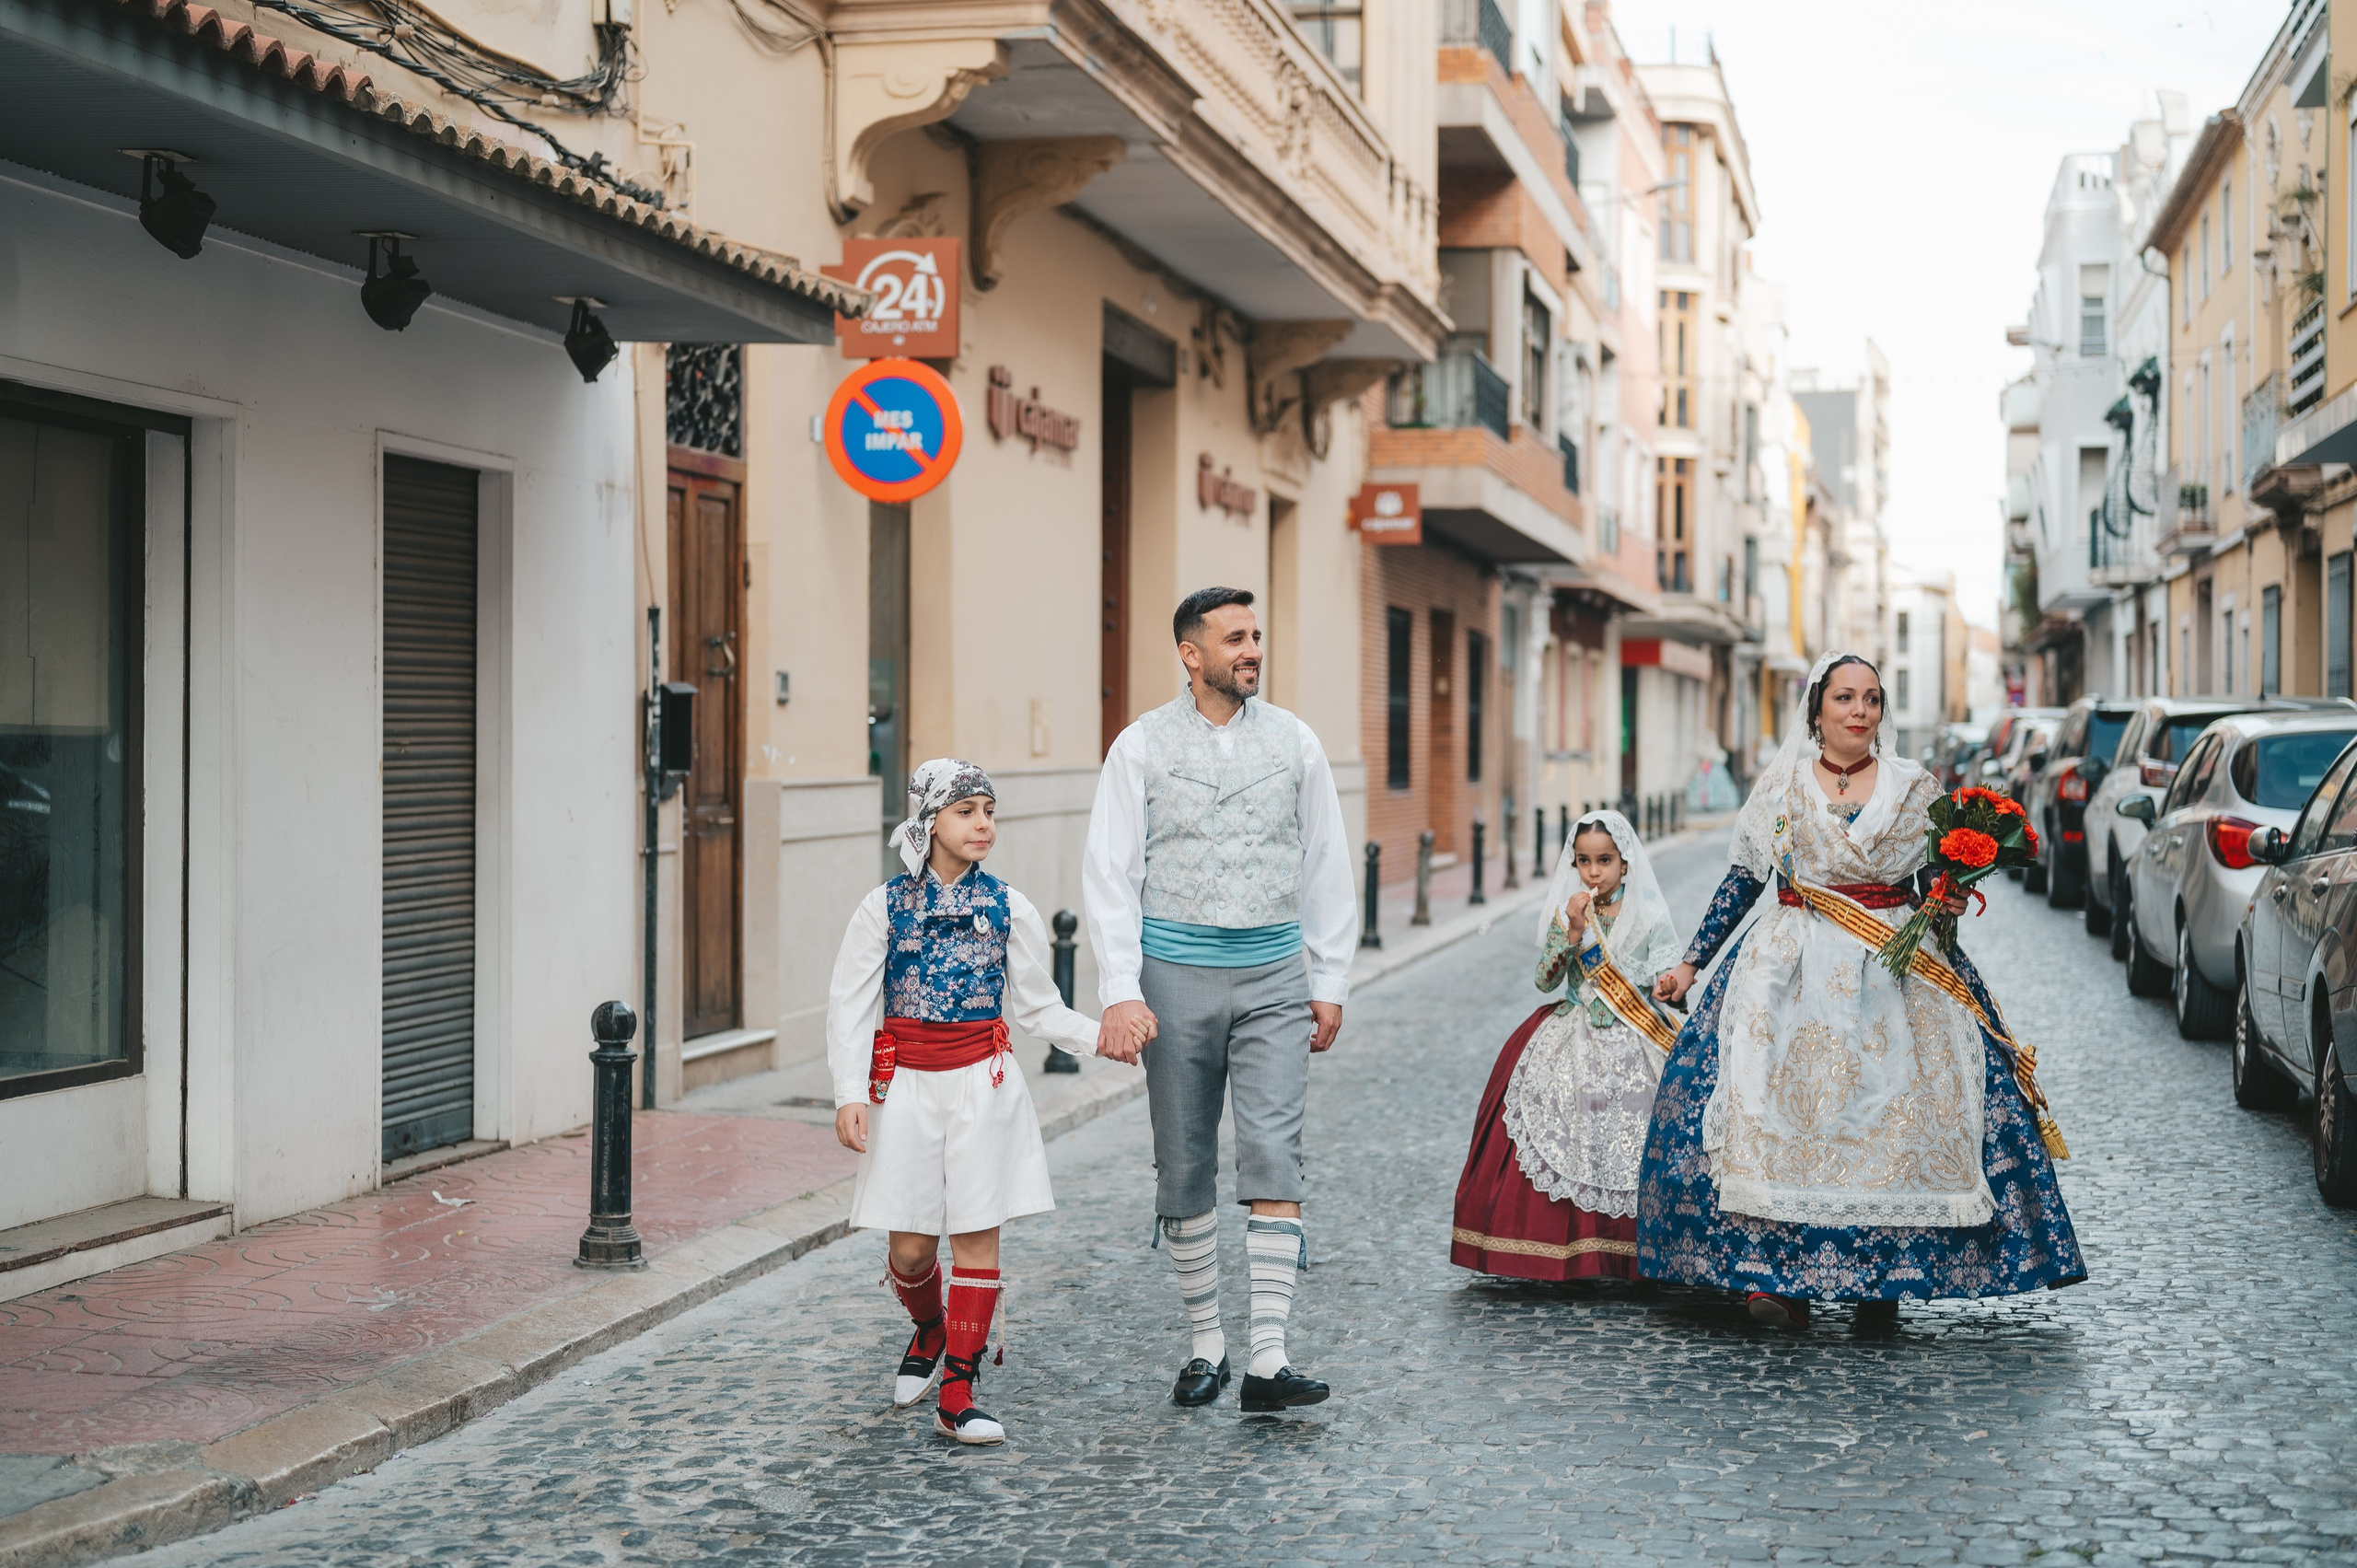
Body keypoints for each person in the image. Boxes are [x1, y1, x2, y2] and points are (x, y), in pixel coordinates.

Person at [1637, 653, 2085, 1330]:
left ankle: (1882, 1283)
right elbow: (1743, 880)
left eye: (1871, 699)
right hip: (1788, 968)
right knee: (1774, 1113)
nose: (1859, 710)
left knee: (1896, 1122)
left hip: (1893, 972)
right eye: (1844, 697)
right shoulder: (1782, 786)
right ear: (1816, 708)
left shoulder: (1914, 786)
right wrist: (1692, 964)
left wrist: (1950, 896)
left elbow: (1937, 877)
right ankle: (1777, 1278)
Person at [1083, 587, 1358, 1412]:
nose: (1251, 649)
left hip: (1275, 974)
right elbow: (1110, 874)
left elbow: (1326, 862)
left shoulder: (1297, 740)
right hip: (1173, 975)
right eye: (1233, 637)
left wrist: (1330, 976)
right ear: (1190, 653)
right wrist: (1120, 989)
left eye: (1256, 635)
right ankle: (1206, 1344)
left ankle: (1268, 1361)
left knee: (1275, 1150)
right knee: (1185, 1159)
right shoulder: (1139, 747)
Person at [827, 759, 1138, 1444]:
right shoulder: (882, 906)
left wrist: (1103, 1036)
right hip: (906, 1086)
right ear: (929, 820)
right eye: (968, 811)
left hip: (982, 1084)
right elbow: (849, 1003)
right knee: (909, 1249)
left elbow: (1039, 1006)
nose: (984, 825)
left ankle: (960, 1391)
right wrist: (850, 1090)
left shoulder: (1008, 906)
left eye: (990, 812)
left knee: (976, 1233)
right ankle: (930, 1328)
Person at [1452, 809, 1685, 1281]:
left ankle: (1637, 1248)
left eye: (1604, 860)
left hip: (1635, 1031)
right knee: (1569, 1125)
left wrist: (1666, 984)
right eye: (1584, 861)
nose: (1594, 871)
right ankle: (1572, 1246)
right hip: (1571, 1033)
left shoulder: (1649, 915)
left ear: (1625, 863)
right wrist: (1573, 935)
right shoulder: (1571, 915)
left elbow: (1668, 972)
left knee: (1639, 1126)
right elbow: (1544, 980)